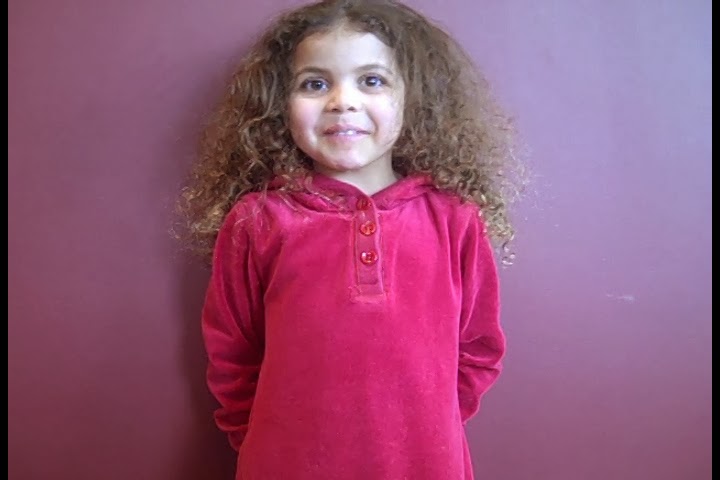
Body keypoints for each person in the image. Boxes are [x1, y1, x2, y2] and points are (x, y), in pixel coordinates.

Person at [177, 0, 525, 478]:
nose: (342, 101)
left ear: (413, 99)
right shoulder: (257, 220)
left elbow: (479, 349)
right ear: (281, 104)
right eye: (315, 83)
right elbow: (232, 357)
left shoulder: (455, 219)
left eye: (372, 80)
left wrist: (424, 430)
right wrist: (264, 441)